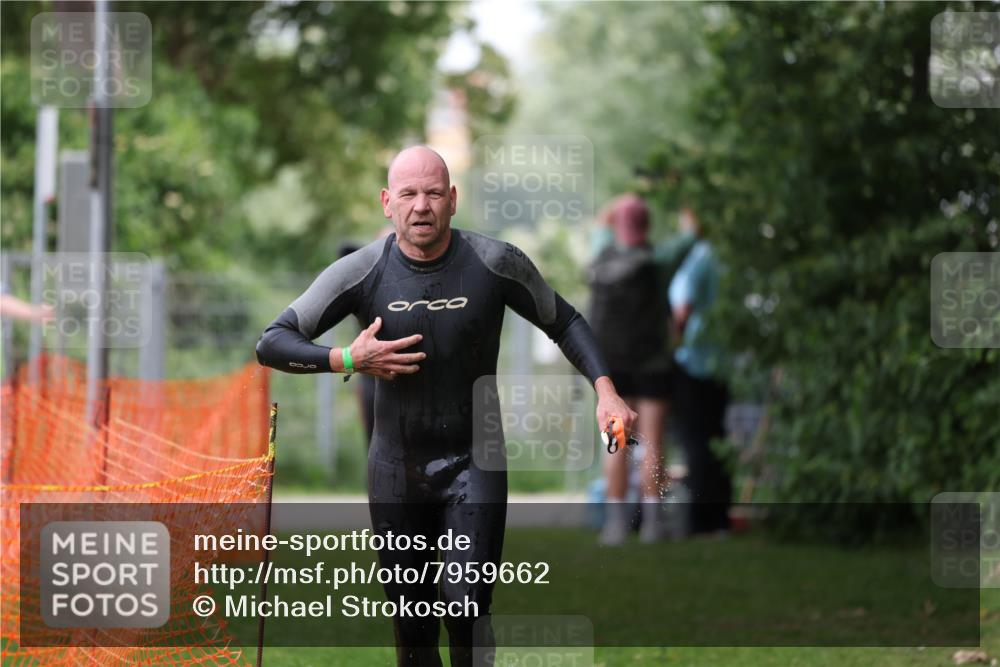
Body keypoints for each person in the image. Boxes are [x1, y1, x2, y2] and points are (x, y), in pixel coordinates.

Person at [256, 146, 636, 667]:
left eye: (434, 193)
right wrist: (347, 358)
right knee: (413, 628)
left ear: (453, 200)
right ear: (387, 202)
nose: (421, 205)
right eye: (409, 194)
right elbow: (272, 342)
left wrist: (606, 391)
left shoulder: (495, 262)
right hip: (396, 468)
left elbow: (564, 321)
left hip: (475, 460)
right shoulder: (361, 271)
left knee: (466, 609)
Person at [588, 195, 696, 544]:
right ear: (647, 225)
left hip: (612, 368)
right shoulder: (660, 259)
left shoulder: (601, 252)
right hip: (653, 364)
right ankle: (652, 525)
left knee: (616, 444)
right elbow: (692, 231)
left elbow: (602, 221)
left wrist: (620, 203)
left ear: (618, 224)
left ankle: (614, 526)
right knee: (652, 442)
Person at [668, 209, 731, 535]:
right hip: (722, 363)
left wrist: (670, 344)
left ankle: (699, 519)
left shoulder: (699, 256)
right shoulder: (725, 257)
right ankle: (719, 517)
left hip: (693, 362)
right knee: (717, 439)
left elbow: (683, 307)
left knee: (695, 442)